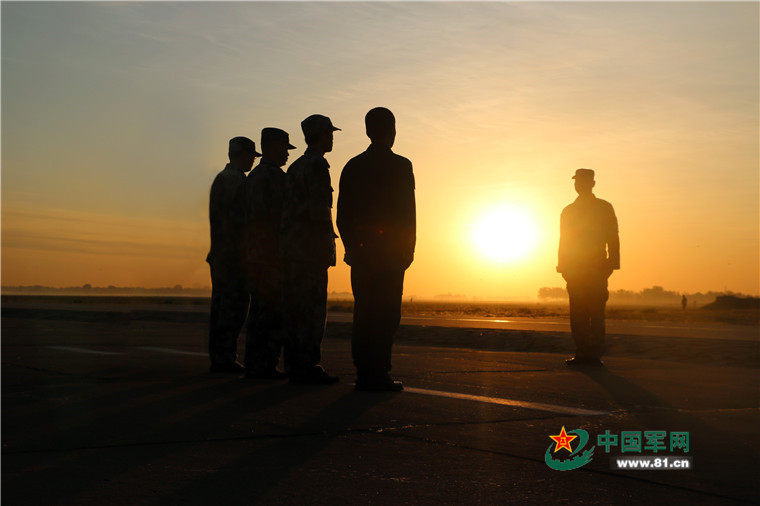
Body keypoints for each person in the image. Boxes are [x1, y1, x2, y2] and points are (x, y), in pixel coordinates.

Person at [337, 107, 416, 391]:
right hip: (390, 255)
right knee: (386, 314)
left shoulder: (352, 166)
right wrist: (408, 251)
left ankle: (363, 372)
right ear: (392, 131)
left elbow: (343, 216)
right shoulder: (400, 166)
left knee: (365, 313)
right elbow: (408, 213)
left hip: (363, 254)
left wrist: (353, 248)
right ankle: (378, 372)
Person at [281, 115, 341, 384]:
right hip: (310, 252)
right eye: (329, 132)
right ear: (319, 135)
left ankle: (295, 363)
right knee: (312, 310)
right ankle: (307, 364)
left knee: (296, 310)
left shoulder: (295, 167)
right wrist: (324, 249)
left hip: (294, 250)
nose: (332, 137)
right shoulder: (316, 166)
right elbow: (319, 213)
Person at [241, 128, 296, 379]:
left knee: (259, 311)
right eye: (285, 148)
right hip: (272, 254)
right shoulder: (274, 177)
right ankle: (266, 364)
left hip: (254, 253)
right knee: (272, 312)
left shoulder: (253, 177)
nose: (287, 153)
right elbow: (282, 218)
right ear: (274, 147)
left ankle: (256, 363)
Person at [207, 136, 261, 373]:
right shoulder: (236, 181)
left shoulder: (224, 178)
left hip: (223, 255)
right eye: (251, 155)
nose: (253, 161)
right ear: (243, 155)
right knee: (233, 308)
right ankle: (224, 359)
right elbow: (239, 222)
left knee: (222, 307)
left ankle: (221, 358)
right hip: (233, 256)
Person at [557, 168, 620, 367]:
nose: (579, 186)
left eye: (584, 182)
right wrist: (563, 267)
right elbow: (564, 240)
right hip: (575, 269)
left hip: (596, 267)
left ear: (593, 183)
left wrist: (612, 264)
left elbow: (613, 237)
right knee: (578, 314)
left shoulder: (604, 207)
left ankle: (594, 355)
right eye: (577, 182)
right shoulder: (568, 211)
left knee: (595, 313)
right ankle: (582, 352)